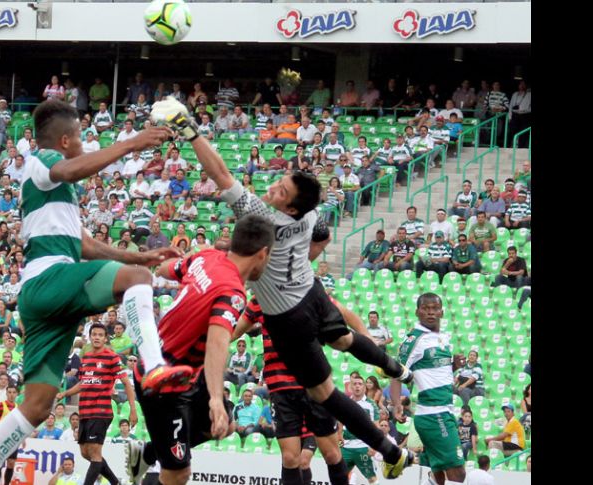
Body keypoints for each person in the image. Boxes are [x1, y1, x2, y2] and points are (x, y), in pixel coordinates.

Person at [150, 96, 415, 480]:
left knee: (325, 394)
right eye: (277, 184)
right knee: (342, 340)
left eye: (279, 191)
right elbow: (320, 233)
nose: (272, 189)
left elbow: (221, 174)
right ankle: (398, 369)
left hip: (289, 317)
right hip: (312, 292)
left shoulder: (264, 217)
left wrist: (190, 130)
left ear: (290, 208)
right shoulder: (310, 213)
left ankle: (391, 452)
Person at [0, 100, 192, 485]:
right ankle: (154, 365)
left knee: (36, 405)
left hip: (41, 295)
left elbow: (86, 246)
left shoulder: (56, 193)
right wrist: (131, 144)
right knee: (137, 282)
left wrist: (143, 256)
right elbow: (68, 167)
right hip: (50, 280)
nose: (83, 144)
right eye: (80, 137)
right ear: (65, 140)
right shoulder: (43, 160)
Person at [124, 215, 274, 485]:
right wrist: (216, 398)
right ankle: (154, 456)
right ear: (263, 254)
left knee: (225, 426)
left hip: (186, 372)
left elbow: (164, 270)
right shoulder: (233, 292)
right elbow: (217, 343)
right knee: (178, 473)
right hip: (162, 381)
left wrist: (178, 263)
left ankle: (147, 453)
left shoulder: (207, 257)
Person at [233, 296, 347, 485]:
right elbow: (234, 332)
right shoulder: (259, 300)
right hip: (281, 388)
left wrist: (363, 336)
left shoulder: (307, 290)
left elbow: (342, 314)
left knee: (332, 454)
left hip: (313, 385)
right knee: (290, 459)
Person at [391, 293, 466, 485]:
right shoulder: (414, 339)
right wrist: (397, 404)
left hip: (443, 411)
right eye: (426, 308)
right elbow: (395, 371)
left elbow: (434, 372)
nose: (430, 312)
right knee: (458, 474)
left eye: (434, 308)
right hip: (434, 414)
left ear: (442, 311)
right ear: (417, 311)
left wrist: (453, 366)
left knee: (439, 474)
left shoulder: (443, 337)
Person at [56, 323, 137, 485]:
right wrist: (65, 393)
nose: (97, 337)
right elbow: (83, 383)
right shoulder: (85, 358)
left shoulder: (112, 357)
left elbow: (127, 384)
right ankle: (116, 482)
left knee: (94, 454)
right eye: (94, 334)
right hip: (85, 411)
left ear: (105, 338)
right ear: (90, 337)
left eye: (101, 335)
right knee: (85, 453)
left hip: (101, 411)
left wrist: (133, 410)